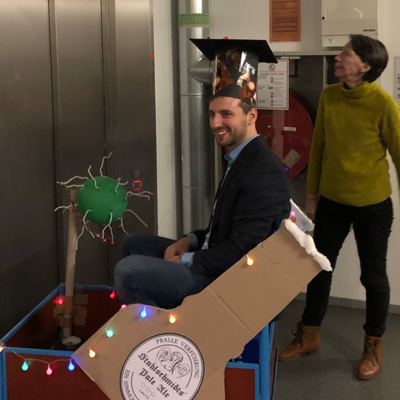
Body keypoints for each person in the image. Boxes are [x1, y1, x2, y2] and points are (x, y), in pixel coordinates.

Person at [113, 39, 290, 311]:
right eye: (212, 114)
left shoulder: (263, 170)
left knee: (128, 271)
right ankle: (157, 323)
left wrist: (187, 260)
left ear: (251, 116)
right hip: (211, 258)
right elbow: (224, 229)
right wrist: (190, 240)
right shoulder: (239, 157)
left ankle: (151, 336)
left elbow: (243, 250)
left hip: (224, 280)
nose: (215, 123)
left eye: (226, 114)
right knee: (133, 244)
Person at [278, 34, 400, 380]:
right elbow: (318, 150)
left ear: (365, 65)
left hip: (373, 205)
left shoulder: (383, 104)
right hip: (331, 202)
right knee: (318, 267)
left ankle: (373, 345)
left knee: (372, 276)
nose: (339, 57)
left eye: (346, 54)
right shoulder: (330, 97)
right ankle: (309, 335)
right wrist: (312, 196)